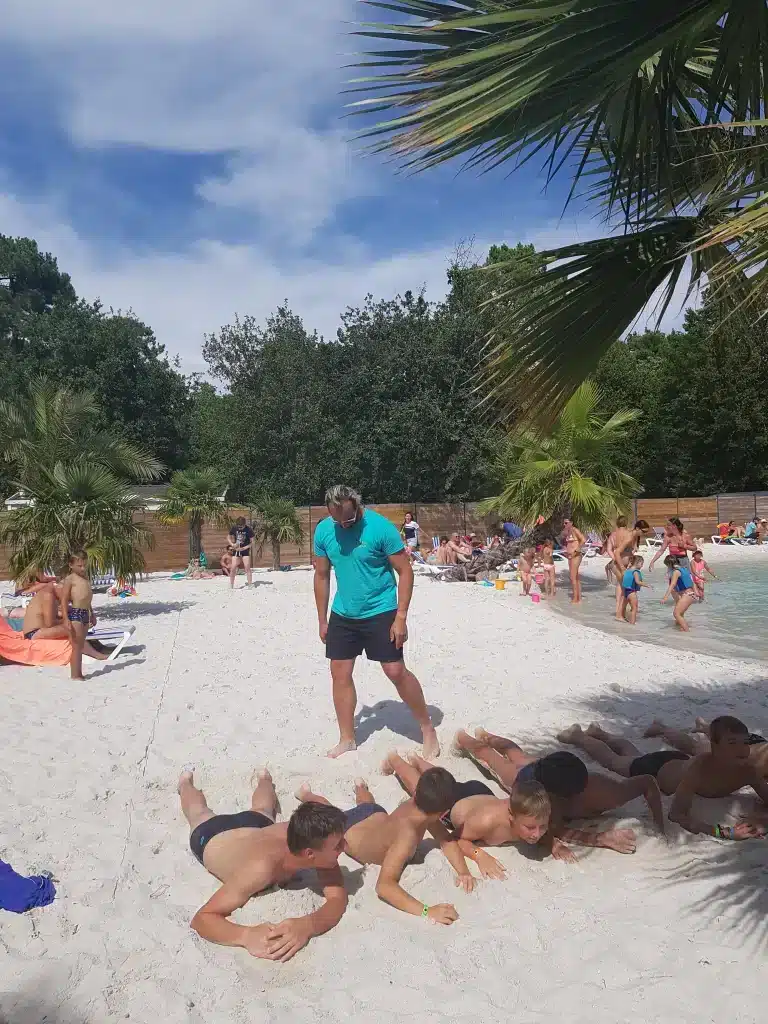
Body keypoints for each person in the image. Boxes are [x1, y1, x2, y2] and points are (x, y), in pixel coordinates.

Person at [313, 484, 439, 759]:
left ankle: (428, 730)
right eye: (337, 519)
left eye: (348, 518)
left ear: (357, 506)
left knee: (395, 671)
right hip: (343, 614)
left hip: (381, 610)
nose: (343, 524)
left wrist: (401, 618)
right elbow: (322, 576)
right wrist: (322, 619)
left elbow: (405, 572)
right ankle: (347, 738)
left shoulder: (380, 528)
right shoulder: (324, 530)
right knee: (340, 673)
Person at [178, 768, 347, 960]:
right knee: (199, 813)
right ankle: (185, 784)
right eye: (338, 845)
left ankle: (264, 779)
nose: (345, 846)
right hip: (214, 836)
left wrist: (309, 925)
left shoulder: (307, 837)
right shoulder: (261, 869)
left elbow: (337, 899)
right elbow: (203, 918)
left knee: (263, 809)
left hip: (256, 828)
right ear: (309, 854)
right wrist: (245, 935)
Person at [296, 763, 472, 925]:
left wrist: (463, 872)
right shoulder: (407, 836)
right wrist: (427, 911)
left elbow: (446, 840)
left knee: (366, 805)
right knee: (330, 810)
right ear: (441, 813)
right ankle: (307, 796)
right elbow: (384, 886)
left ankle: (360, 788)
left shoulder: (417, 805)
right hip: (350, 828)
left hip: (374, 814)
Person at [454, 728, 662, 856]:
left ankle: (486, 735)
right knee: (497, 761)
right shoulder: (537, 797)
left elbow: (647, 782)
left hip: (548, 770)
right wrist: (599, 838)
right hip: (529, 777)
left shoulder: (605, 790)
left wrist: (660, 827)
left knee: (517, 755)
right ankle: (463, 738)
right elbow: (553, 831)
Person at [557, 718, 768, 840]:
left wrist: (761, 821)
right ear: (714, 745)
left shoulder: (748, 769)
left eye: (744, 743)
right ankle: (578, 736)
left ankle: (601, 733)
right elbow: (677, 815)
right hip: (658, 768)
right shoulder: (699, 769)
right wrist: (727, 832)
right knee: (615, 762)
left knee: (632, 754)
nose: (742, 750)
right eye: (732, 743)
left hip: (677, 761)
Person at [21, 584, 108, 660]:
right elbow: (49, 624)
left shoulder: (55, 592)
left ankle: (98, 647)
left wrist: (91, 614)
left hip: (42, 628)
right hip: (34, 633)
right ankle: (95, 654)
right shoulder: (48, 596)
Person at [59, 550, 96, 680]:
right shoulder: (69, 580)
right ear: (71, 565)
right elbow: (63, 600)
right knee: (76, 646)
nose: (83, 568)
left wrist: (92, 614)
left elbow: (87, 598)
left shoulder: (85, 578)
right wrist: (65, 619)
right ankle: (75, 674)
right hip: (76, 613)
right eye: (79, 566)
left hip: (85, 612)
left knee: (80, 646)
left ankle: (79, 673)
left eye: (84, 565)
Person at [606, 519, 651, 619]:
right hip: (618, 565)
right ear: (637, 528)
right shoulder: (630, 537)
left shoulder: (632, 535)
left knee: (625, 589)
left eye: (645, 532)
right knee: (625, 589)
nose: (643, 534)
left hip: (623, 565)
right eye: (643, 532)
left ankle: (622, 614)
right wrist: (622, 568)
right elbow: (617, 552)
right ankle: (619, 616)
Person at [661, 554, 696, 631]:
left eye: (667, 565)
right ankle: (681, 631)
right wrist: (696, 593)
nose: (667, 568)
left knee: (676, 614)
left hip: (687, 595)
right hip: (690, 594)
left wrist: (665, 597)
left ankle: (688, 632)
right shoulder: (684, 569)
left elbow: (672, 584)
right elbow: (691, 581)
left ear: (670, 564)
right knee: (680, 614)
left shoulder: (676, 572)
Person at [560, 518, 586, 603]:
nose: (564, 524)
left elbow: (583, 540)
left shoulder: (575, 530)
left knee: (572, 577)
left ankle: (575, 599)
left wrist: (576, 550)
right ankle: (579, 597)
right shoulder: (567, 532)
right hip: (570, 556)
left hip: (576, 556)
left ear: (571, 522)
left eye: (566, 523)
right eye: (564, 523)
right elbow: (567, 543)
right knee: (576, 577)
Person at [621, 556, 651, 625]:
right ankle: (632, 623)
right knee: (634, 608)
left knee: (624, 606)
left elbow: (624, 581)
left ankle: (623, 618)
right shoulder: (636, 572)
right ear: (637, 563)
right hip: (632, 592)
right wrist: (646, 585)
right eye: (641, 563)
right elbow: (637, 582)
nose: (642, 565)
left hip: (626, 591)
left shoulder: (627, 571)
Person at [228, 517, 254, 588]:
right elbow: (228, 537)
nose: (239, 528)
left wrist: (244, 548)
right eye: (238, 527)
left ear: (244, 524)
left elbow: (252, 542)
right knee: (233, 567)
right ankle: (231, 584)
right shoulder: (234, 528)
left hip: (245, 550)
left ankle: (250, 584)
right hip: (236, 549)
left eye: (241, 527)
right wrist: (232, 544)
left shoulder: (249, 530)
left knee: (247, 567)